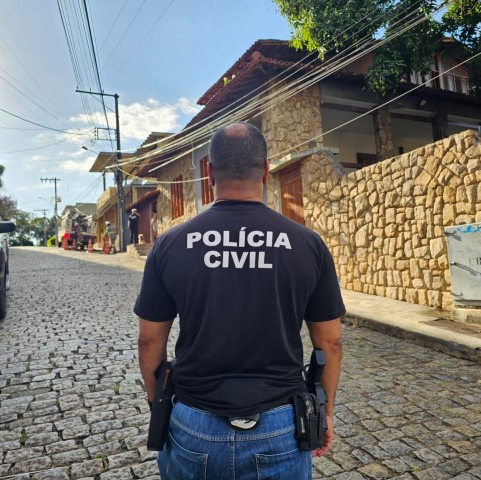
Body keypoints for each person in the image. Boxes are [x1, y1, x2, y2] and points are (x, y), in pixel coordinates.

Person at [135, 122, 345, 479]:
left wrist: (158, 403)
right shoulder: (307, 244)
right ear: (265, 170)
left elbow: (149, 339)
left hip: (194, 423)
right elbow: (331, 342)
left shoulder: (170, 244)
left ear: (210, 174)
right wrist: (325, 411)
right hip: (282, 425)